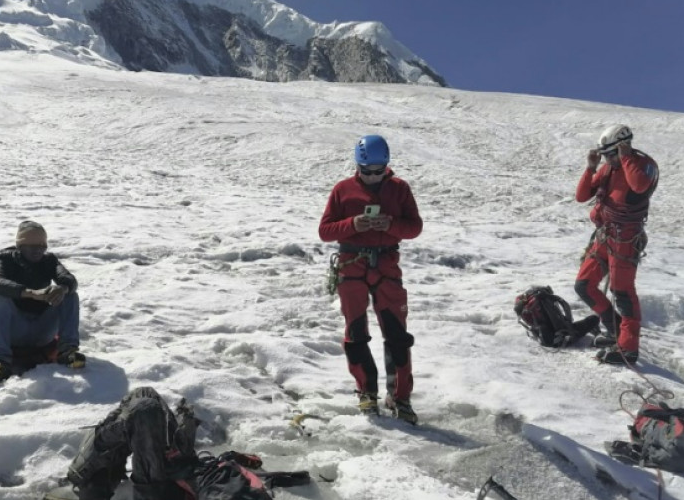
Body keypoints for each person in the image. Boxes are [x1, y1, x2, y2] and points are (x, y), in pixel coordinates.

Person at [318, 134, 423, 424]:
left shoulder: (400, 189)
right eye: (367, 171)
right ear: (358, 166)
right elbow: (325, 231)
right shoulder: (343, 190)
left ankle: (400, 397)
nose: (374, 177)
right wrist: (353, 224)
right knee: (355, 332)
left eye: (379, 171)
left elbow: (414, 227)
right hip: (352, 267)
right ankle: (367, 392)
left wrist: (391, 225)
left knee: (397, 335)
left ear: (387, 166)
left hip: (387, 267)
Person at [44, 387, 309, 500]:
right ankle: (96, 473)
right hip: (179, 468)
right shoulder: (236, 476)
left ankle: (89, 475)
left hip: (156, 491)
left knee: (144, 408)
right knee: (144, 395)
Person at [574, 124, 659, 365]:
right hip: (604, 235)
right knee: (584, 285)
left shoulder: (642, 165)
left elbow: (640, 186)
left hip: (625, 239)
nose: (608, 159)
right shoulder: (607, 169)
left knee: (622, 293)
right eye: (605, 155)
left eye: (611, 154)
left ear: (624, 146)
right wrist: (591, 168)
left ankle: (628, 348)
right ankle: (614, 330)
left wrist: (626, 157)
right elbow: (582, 196)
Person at [0, 220, 84, 382]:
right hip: (15, 330)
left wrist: (62, 288)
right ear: (20, 246)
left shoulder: (49, 261)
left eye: (42, 247)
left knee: (70, 294)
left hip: (42, 330)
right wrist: (29, 293)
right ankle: (0, 361)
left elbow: (69, 279)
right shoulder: (4, 260)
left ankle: (68, 352)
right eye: (32, 247)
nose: (38, 251)